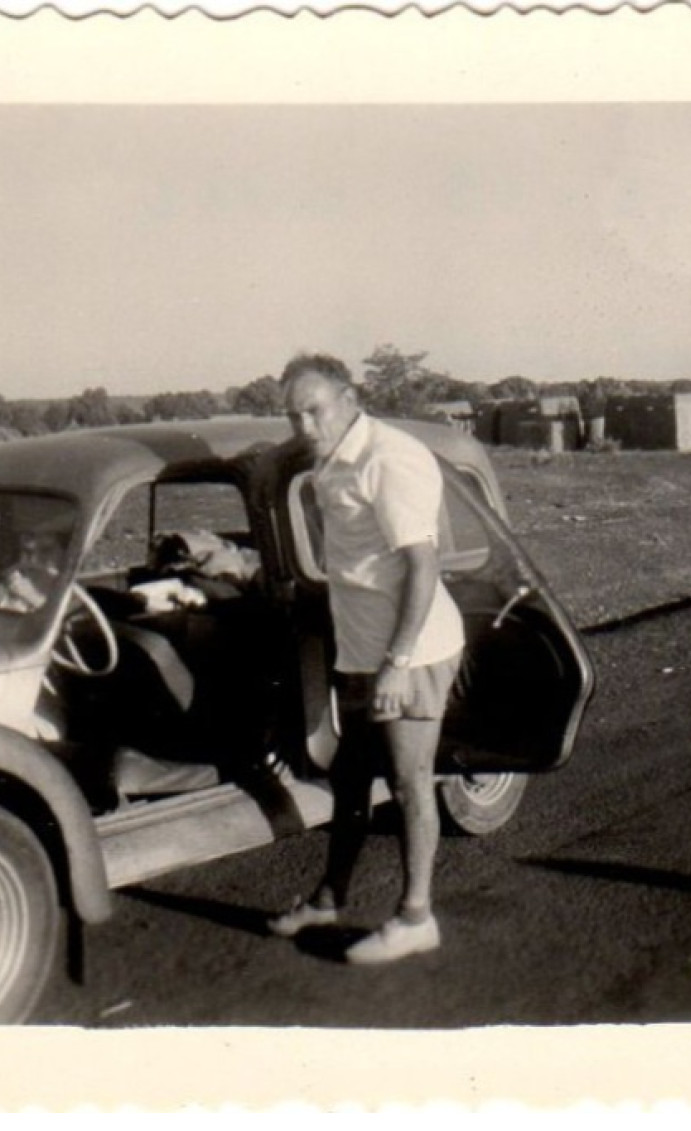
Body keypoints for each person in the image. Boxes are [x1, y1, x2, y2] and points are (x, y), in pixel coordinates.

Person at [269, 352, 466, 964]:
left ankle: (416, 917)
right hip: (360, 650)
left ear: (350, 397)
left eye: (315, 410)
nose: (304, 427)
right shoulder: (332, 457)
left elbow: (422, 565)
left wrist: (398, 662)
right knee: (351, 776)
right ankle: (330, 897)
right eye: (293, 415)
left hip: (410, 649)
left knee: (409, 784)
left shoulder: (389, 457)